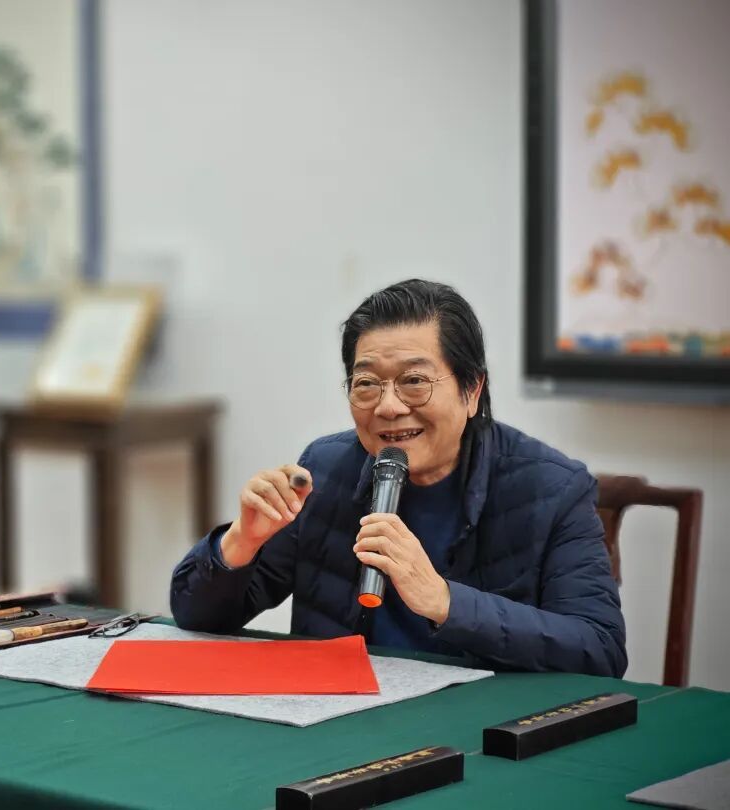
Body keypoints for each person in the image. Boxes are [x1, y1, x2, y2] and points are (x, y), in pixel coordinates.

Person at [170, 279, 627, 677]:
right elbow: (196, 616)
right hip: (341, 719)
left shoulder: (551, 489)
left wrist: (445, 601)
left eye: (414, 381)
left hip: (479, 728)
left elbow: (600, 649)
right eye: (367, 384)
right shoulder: (325, 469)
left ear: (472, 391)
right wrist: (240, 543)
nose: (388, 407)